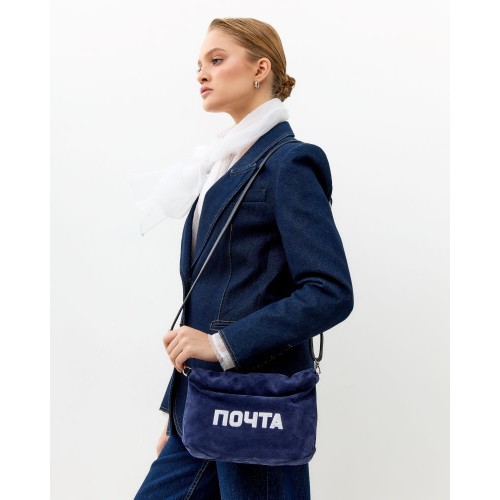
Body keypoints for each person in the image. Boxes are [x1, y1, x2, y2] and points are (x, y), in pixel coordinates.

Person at [129, 17, 354, 500]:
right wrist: (177, 411)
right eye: (198, 64)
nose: (202, 73)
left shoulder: (289, 163)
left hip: (256, 405)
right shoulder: (220, 164)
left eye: (216, 59)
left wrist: (223, 345)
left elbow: (329, 292)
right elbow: (207, 302)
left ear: (260, 69)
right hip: (202, 402)